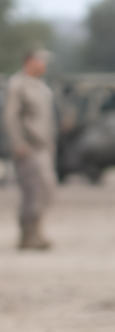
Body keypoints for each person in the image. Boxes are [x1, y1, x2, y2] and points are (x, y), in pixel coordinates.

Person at [2, 50, 57, 251]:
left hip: (43, 146)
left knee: (46, 190)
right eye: (39, 61)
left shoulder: (40, 86)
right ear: (28, 61)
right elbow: (11, 116)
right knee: (34, 190)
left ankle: (36, 232)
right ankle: (27, 235)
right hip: (28, 147)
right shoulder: (18, 84)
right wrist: (17, 143)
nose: (43, 65)